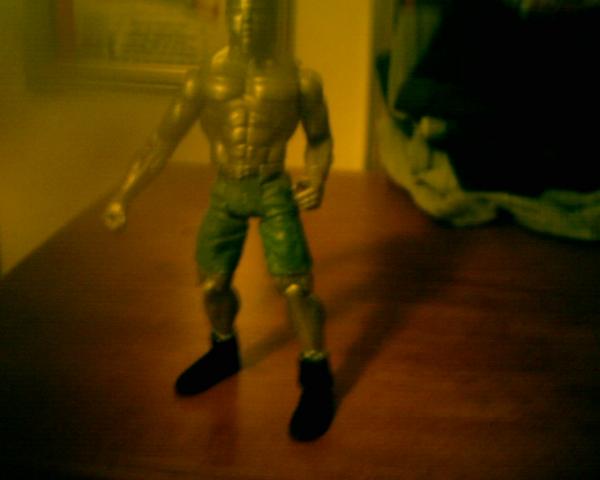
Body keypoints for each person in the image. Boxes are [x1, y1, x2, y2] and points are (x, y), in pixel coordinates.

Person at [103, 0, 334, 441]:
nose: (248, 21)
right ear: (227, 16)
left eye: (257, 12)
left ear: (272, 18)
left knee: (296, 289)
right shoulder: (204, 78)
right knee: (212, 285)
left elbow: (320, 138)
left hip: (272, 188)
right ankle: (224, 351)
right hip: (227, 189)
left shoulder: (300, 79)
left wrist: (317, 177)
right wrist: (123, 196)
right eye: (239, 12)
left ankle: (316, 374)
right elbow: (161, 141)